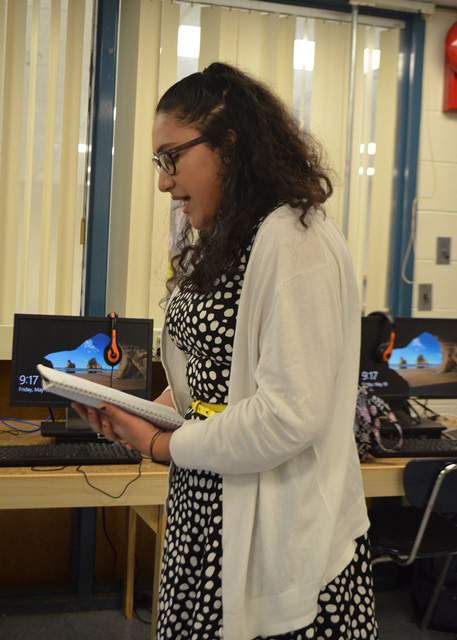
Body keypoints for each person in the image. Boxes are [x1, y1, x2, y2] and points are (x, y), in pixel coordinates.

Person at [73, 62, 378, 640]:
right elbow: (213, 379)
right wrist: (150, 409)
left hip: (275, 529)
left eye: (171, 158)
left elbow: (289, 414)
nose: (163, 181)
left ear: (230, 145)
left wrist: (163, 442)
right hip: (205, 500)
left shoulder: (295, 240)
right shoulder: (227, 238)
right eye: (159, 163)